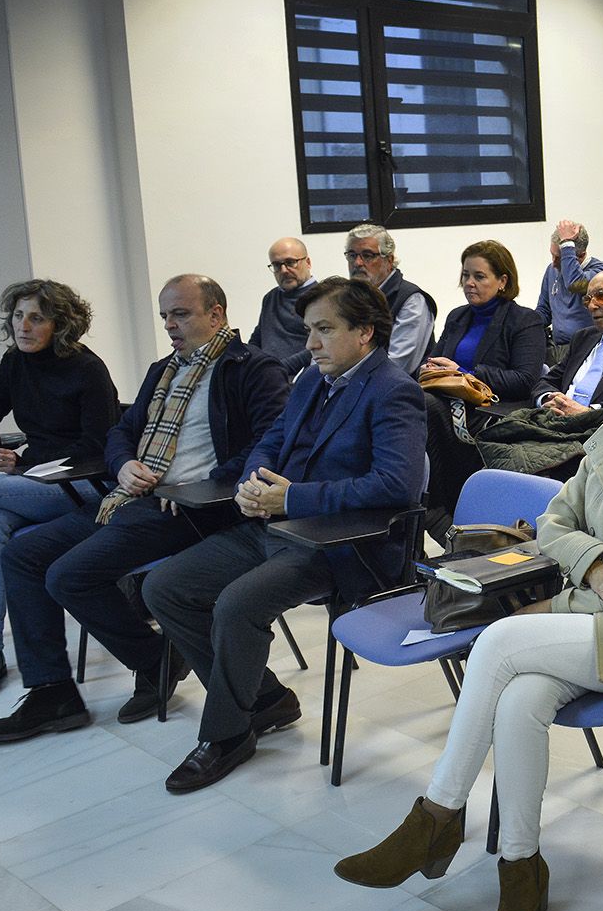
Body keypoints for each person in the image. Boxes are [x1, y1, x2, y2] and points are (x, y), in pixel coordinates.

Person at [336, 304, 603, 911]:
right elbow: (551, 524)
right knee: (520, 698)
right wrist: (599, 566)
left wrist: (579, 587)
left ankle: (435, 818)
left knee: (497, 643)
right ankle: (521, 869)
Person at [0, 275, 288, 742]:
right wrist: (123, 466)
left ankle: (160, 659)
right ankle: (52, 692)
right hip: (134, 497)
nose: (170, 325)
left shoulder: (251, 369)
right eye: (164, 315)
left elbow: (270, 442)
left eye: (180, 314)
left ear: (216, 314)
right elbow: (120, 432)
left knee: (66, 574)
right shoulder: (164, 369)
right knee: (21, 555)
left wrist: (205, 483)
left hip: (194, 506)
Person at [142, 276, 425, 793]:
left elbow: (395, 485)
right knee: (164, 588)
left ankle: (227, 735)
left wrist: (292, 497)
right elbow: (269, 440)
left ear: (364, 332)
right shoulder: (314, 380)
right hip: (275, 524)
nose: (310, 344)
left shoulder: (393, 391)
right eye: (308, 330)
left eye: (323, 330)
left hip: (340, 543)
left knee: (236, 604)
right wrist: (254, 482)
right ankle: (265, 698)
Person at [0, 280, 118, 700]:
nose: (23, 326)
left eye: (36, 318)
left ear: (60, 325)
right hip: (37, 482)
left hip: (84, 486)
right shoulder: (15, 362)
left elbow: (97, 447)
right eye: (17, 316)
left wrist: (24, 463)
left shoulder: (87, 369)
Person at [420, 241, 545, 522]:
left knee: (425, 406)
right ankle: (424, 506)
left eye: (479, 276)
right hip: (446, 401)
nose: (469, 283)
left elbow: (525, 380)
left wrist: (466, 373)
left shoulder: (525, 320)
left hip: (491, 410)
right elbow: (436, 361)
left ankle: (437, 510)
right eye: (465, 275)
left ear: (502, 281)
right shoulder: (457, 316)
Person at [535, 269, 603, 414]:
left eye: (601, 295)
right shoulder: (583, 338)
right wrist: (548, 399)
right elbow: (548, 381)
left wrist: (588, 412)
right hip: (557, 421)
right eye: (587, 299)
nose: (591, 306)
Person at [344, 223, 437, 375]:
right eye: (352, 255)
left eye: (367, 255)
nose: (357, 263)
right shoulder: (345, 297)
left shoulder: (412, 300)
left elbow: (398, 365)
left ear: (389, 260)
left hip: (394, 391)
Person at [532, 219, 603, 365]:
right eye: (552, 255)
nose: (554, 263)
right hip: (556, 350)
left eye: (560, 258)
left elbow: (575, 284)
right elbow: (544, 311)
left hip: (587, 350)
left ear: (579, 256)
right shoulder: (551, 270)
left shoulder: (601, 272)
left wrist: (567, 243)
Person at [249, 236, 315, 377]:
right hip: (267, 378)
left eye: (291, 262)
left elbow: (321, 346)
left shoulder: (322, 298)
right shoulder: (270, 297)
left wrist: (278, 368)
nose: (284, 270)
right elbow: (257, 338)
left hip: (300, 379)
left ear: (308, 262)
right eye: (277, 265)